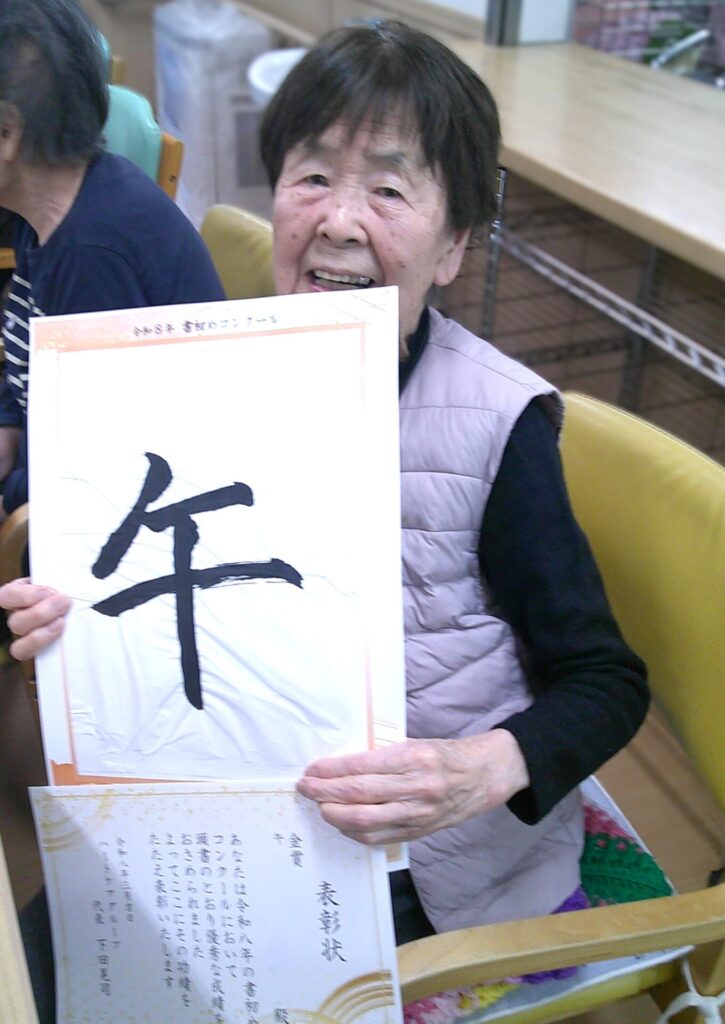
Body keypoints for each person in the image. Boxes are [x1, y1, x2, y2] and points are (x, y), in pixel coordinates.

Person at [2, 18, 649, 957]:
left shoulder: (492, 425)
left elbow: (605, 682)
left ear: (453, 244)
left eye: (387, 190)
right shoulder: (196, 379)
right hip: (227, 804)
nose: (338, 221)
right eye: (311, 178)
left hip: (420, 854)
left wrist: (478, 769)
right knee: (49, 960)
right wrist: (69, 625)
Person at [0, 0, 225, 516]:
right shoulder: (47, 206)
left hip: (122, 519)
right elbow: (27, 354)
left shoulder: (93, 254)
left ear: (8, 132)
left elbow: (100, 472)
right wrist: (8, 425)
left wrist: (9, 496)